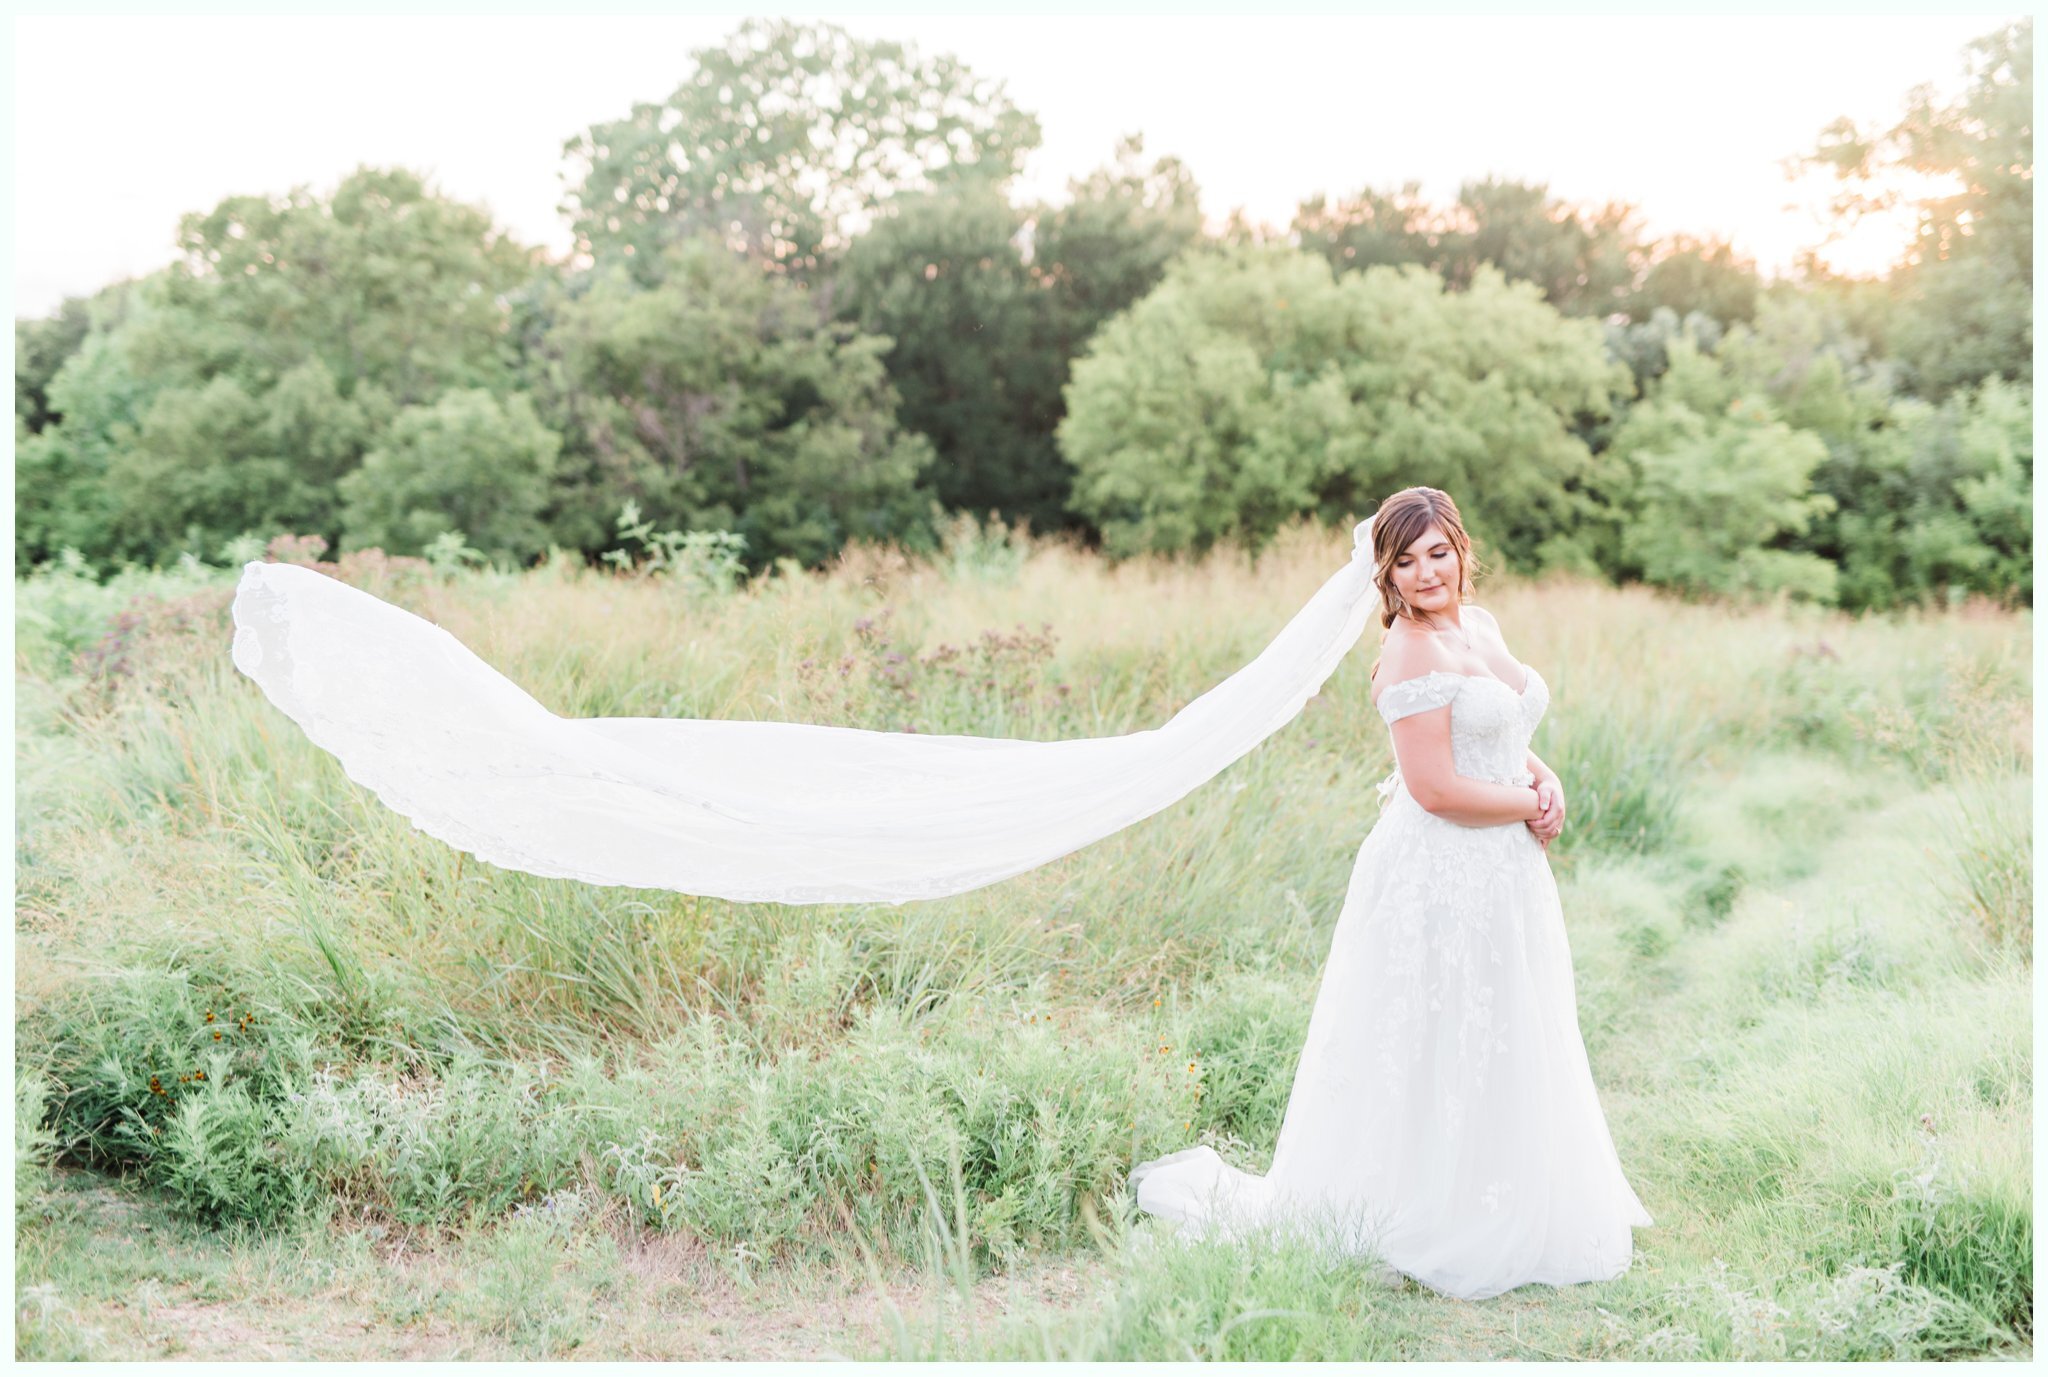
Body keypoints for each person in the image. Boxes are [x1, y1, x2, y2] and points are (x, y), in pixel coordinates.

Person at [1128, 487, 1654, 1301]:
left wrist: (1544, 779)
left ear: (1460, 548)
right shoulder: (1407, 654)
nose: (1425, 572)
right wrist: (1529, 804)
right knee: (1435, 1030)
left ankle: (1509, 1194)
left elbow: (1505, 729)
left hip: (1504, 871)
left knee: (1506, 1019)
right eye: (1404, 561)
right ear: (1387, 575)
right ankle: (1427, 1209)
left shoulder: (1478, 626)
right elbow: (1436, 787)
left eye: (1437, 551)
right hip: (1438, 872)